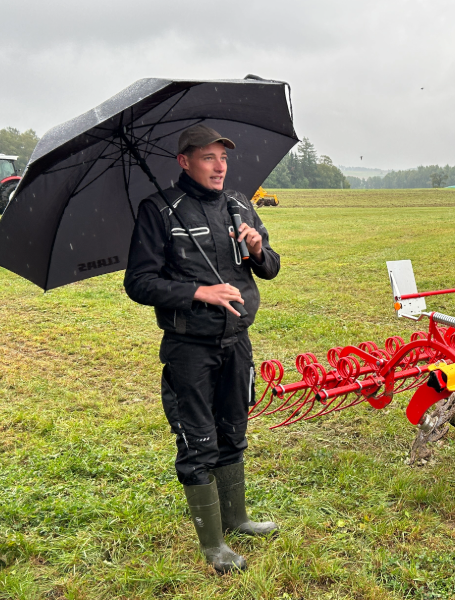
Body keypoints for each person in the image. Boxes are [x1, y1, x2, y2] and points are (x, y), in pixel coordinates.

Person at [124, 124, 280, 573]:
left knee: (234, 428)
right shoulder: (159, 209)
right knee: (198, 440)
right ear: (185, 161)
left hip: (237, 341)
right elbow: (138, 282)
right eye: (209, 157)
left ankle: (237, 518)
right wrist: (199, 292)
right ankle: (213, 546)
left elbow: (269, 267)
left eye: (224, 158)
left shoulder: (239, 204)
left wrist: (256, 249)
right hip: (189, 346)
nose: (220, 166)